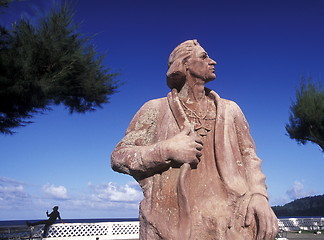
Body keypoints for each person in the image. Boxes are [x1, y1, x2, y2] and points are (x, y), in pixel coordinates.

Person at [111, 40, 278, 240]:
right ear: (184, 64)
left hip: (232, 224)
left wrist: (260, 196)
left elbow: (250, 157)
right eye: (204, 56)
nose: (213, 61)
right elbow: (119, 157)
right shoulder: (155, 109)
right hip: (172, 226)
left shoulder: (231, 110)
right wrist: (167, 150)